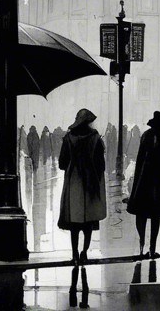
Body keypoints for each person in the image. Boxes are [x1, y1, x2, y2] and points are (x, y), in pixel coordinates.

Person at [59, 108, 107, 261]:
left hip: (74, 181)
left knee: (74, 219)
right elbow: (101, 164)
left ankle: (74, 253)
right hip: (91, 181)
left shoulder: (68, 138)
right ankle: (84, 252)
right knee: (89, 221)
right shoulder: (95, 138)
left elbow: (62, 163)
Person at [127, 111, 160, 258]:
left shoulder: (146, 135)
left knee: (141, 212)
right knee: (156, 214)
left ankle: (142, 245)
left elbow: (140, 157)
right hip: (159, 178)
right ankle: (152, 248)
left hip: (144, 177)